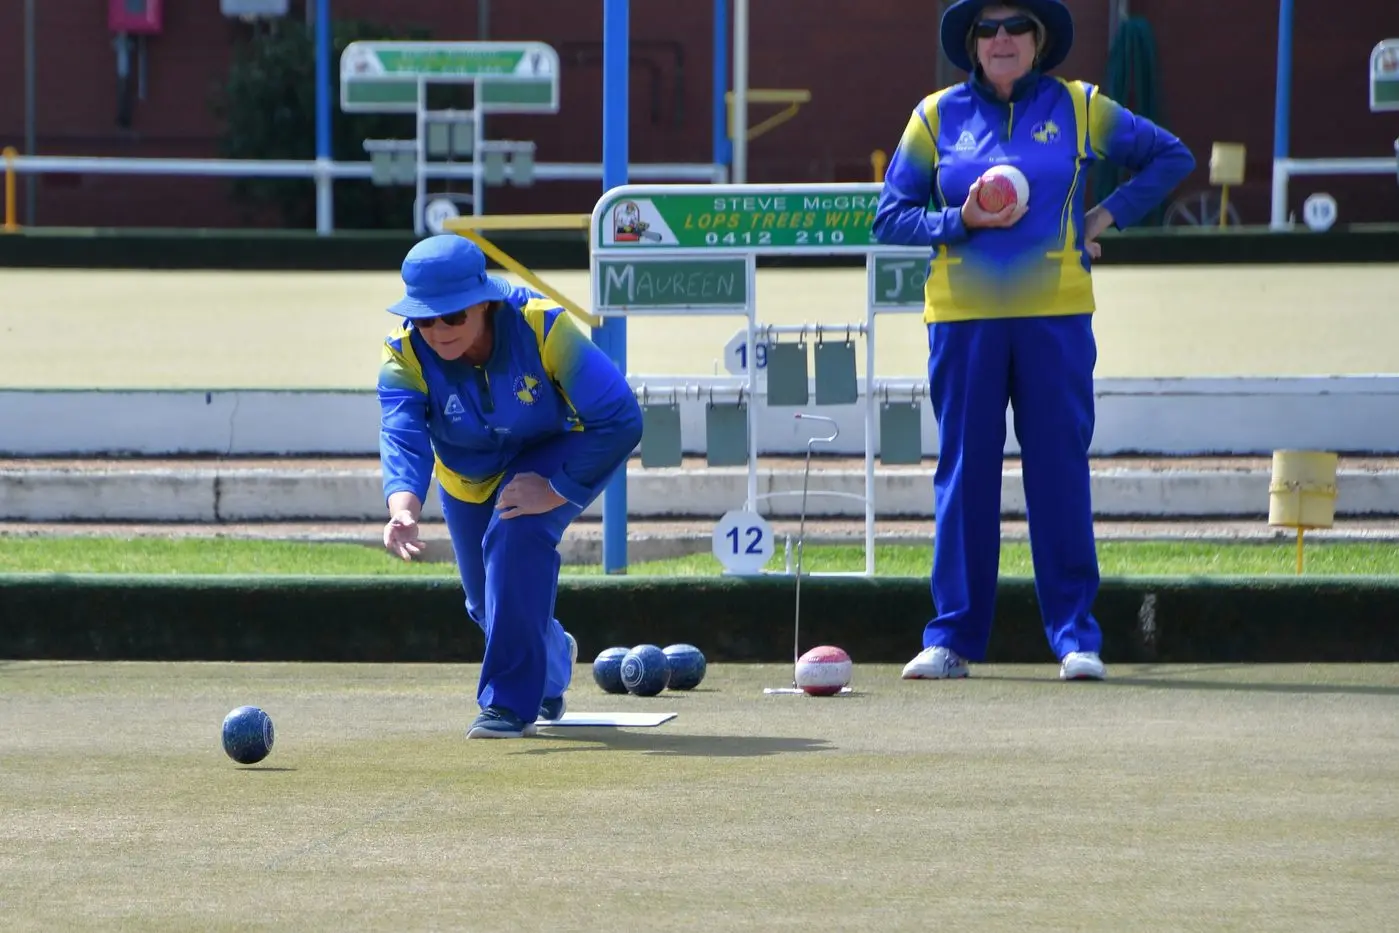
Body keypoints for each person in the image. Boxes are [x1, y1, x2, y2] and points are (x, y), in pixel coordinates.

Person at [872, 0, 1194, 682]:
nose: (1000, 38)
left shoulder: (1080, 106)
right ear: (969, 42)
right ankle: (951, 638)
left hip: (1055, 318)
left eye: (1014, 25)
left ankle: (1075, 636)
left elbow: (1169, 156)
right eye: (985, 28)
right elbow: (889, 216)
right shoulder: (933, 116)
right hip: (960, 322)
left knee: (1058, 472)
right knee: (964, 476)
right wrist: (956, 219)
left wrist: (1103, 214)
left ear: (1039, 38)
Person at [377, 234, 643, 737]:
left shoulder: (543, 325)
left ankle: (505, 706)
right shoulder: (403, 355)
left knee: (514, 533)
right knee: (485, 603)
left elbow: (621, 418)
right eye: (425, 318)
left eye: (453, 316)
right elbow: (403, 436)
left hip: (551, 449)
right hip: (466, 473)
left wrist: (558, 487)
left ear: (484, 302)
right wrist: (403, 507)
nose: (438, 331)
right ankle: (553, 656)